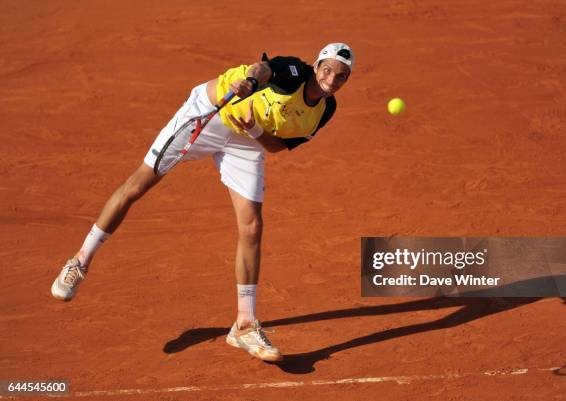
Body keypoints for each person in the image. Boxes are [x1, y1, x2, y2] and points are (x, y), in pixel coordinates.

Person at [51, 43, 354, 362]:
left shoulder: (326, 110)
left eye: (341, 76)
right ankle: (79, 262)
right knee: (139, 184)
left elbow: (278, 146)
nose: (332, 79)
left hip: (247, 138)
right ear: (317, 65)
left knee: (251, 227)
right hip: (211, 116)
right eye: (328, 69)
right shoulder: (294, 72)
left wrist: (253, 129)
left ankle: (245, 325)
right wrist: (251, 82)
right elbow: (264, 70)